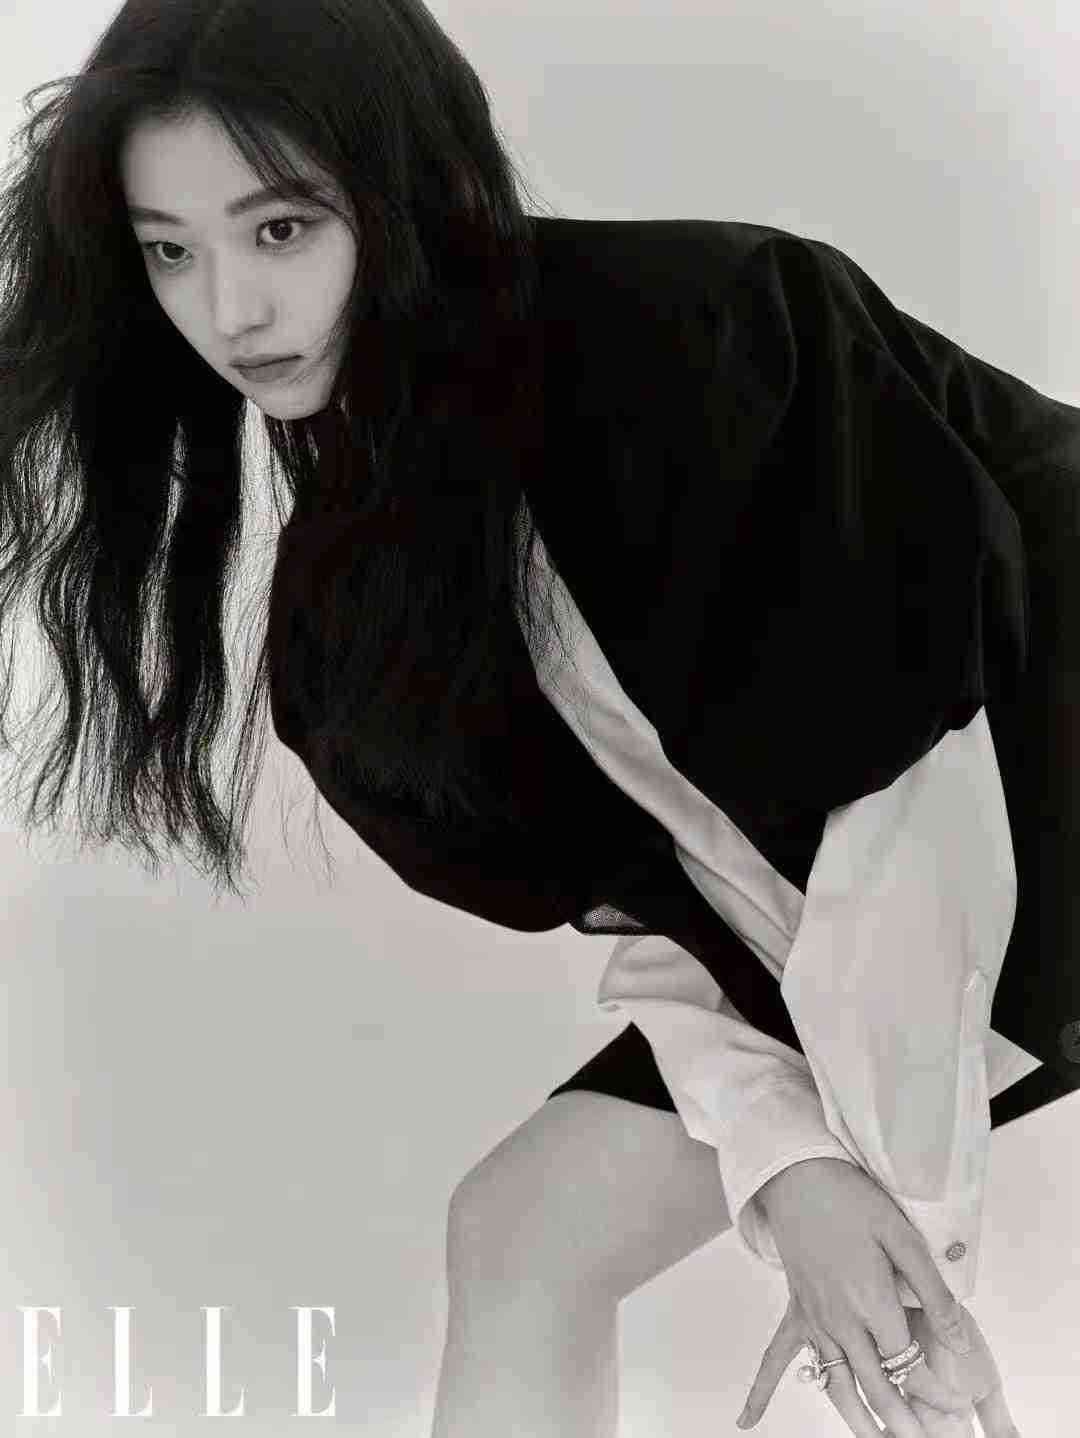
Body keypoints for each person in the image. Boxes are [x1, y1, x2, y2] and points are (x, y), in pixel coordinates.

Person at [0, 2, 1067, 1435]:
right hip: (869, 925)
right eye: (169, 252)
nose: (229, 312)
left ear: (407, 188)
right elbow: (670, 894)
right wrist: (791, 1160)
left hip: (1025, 812)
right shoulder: (360, 587)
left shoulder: (703, 334)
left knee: (876, 1309)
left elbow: (916, 784)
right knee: (520, 1233)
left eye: (280, 230)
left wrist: (899, 1229)